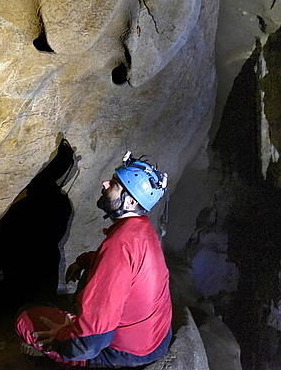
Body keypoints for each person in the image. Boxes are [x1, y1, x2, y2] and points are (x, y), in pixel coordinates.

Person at [15, 151, 172, 368]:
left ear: (131, 200)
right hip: (155, 339)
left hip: (123, 354)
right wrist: (83, 261)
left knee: (26, 317)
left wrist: (61, 338)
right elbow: (124, 268)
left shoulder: (120, 244)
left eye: (115, 184)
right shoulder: (142, 230)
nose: (105, 183)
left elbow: (91, 342)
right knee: (86, 286)